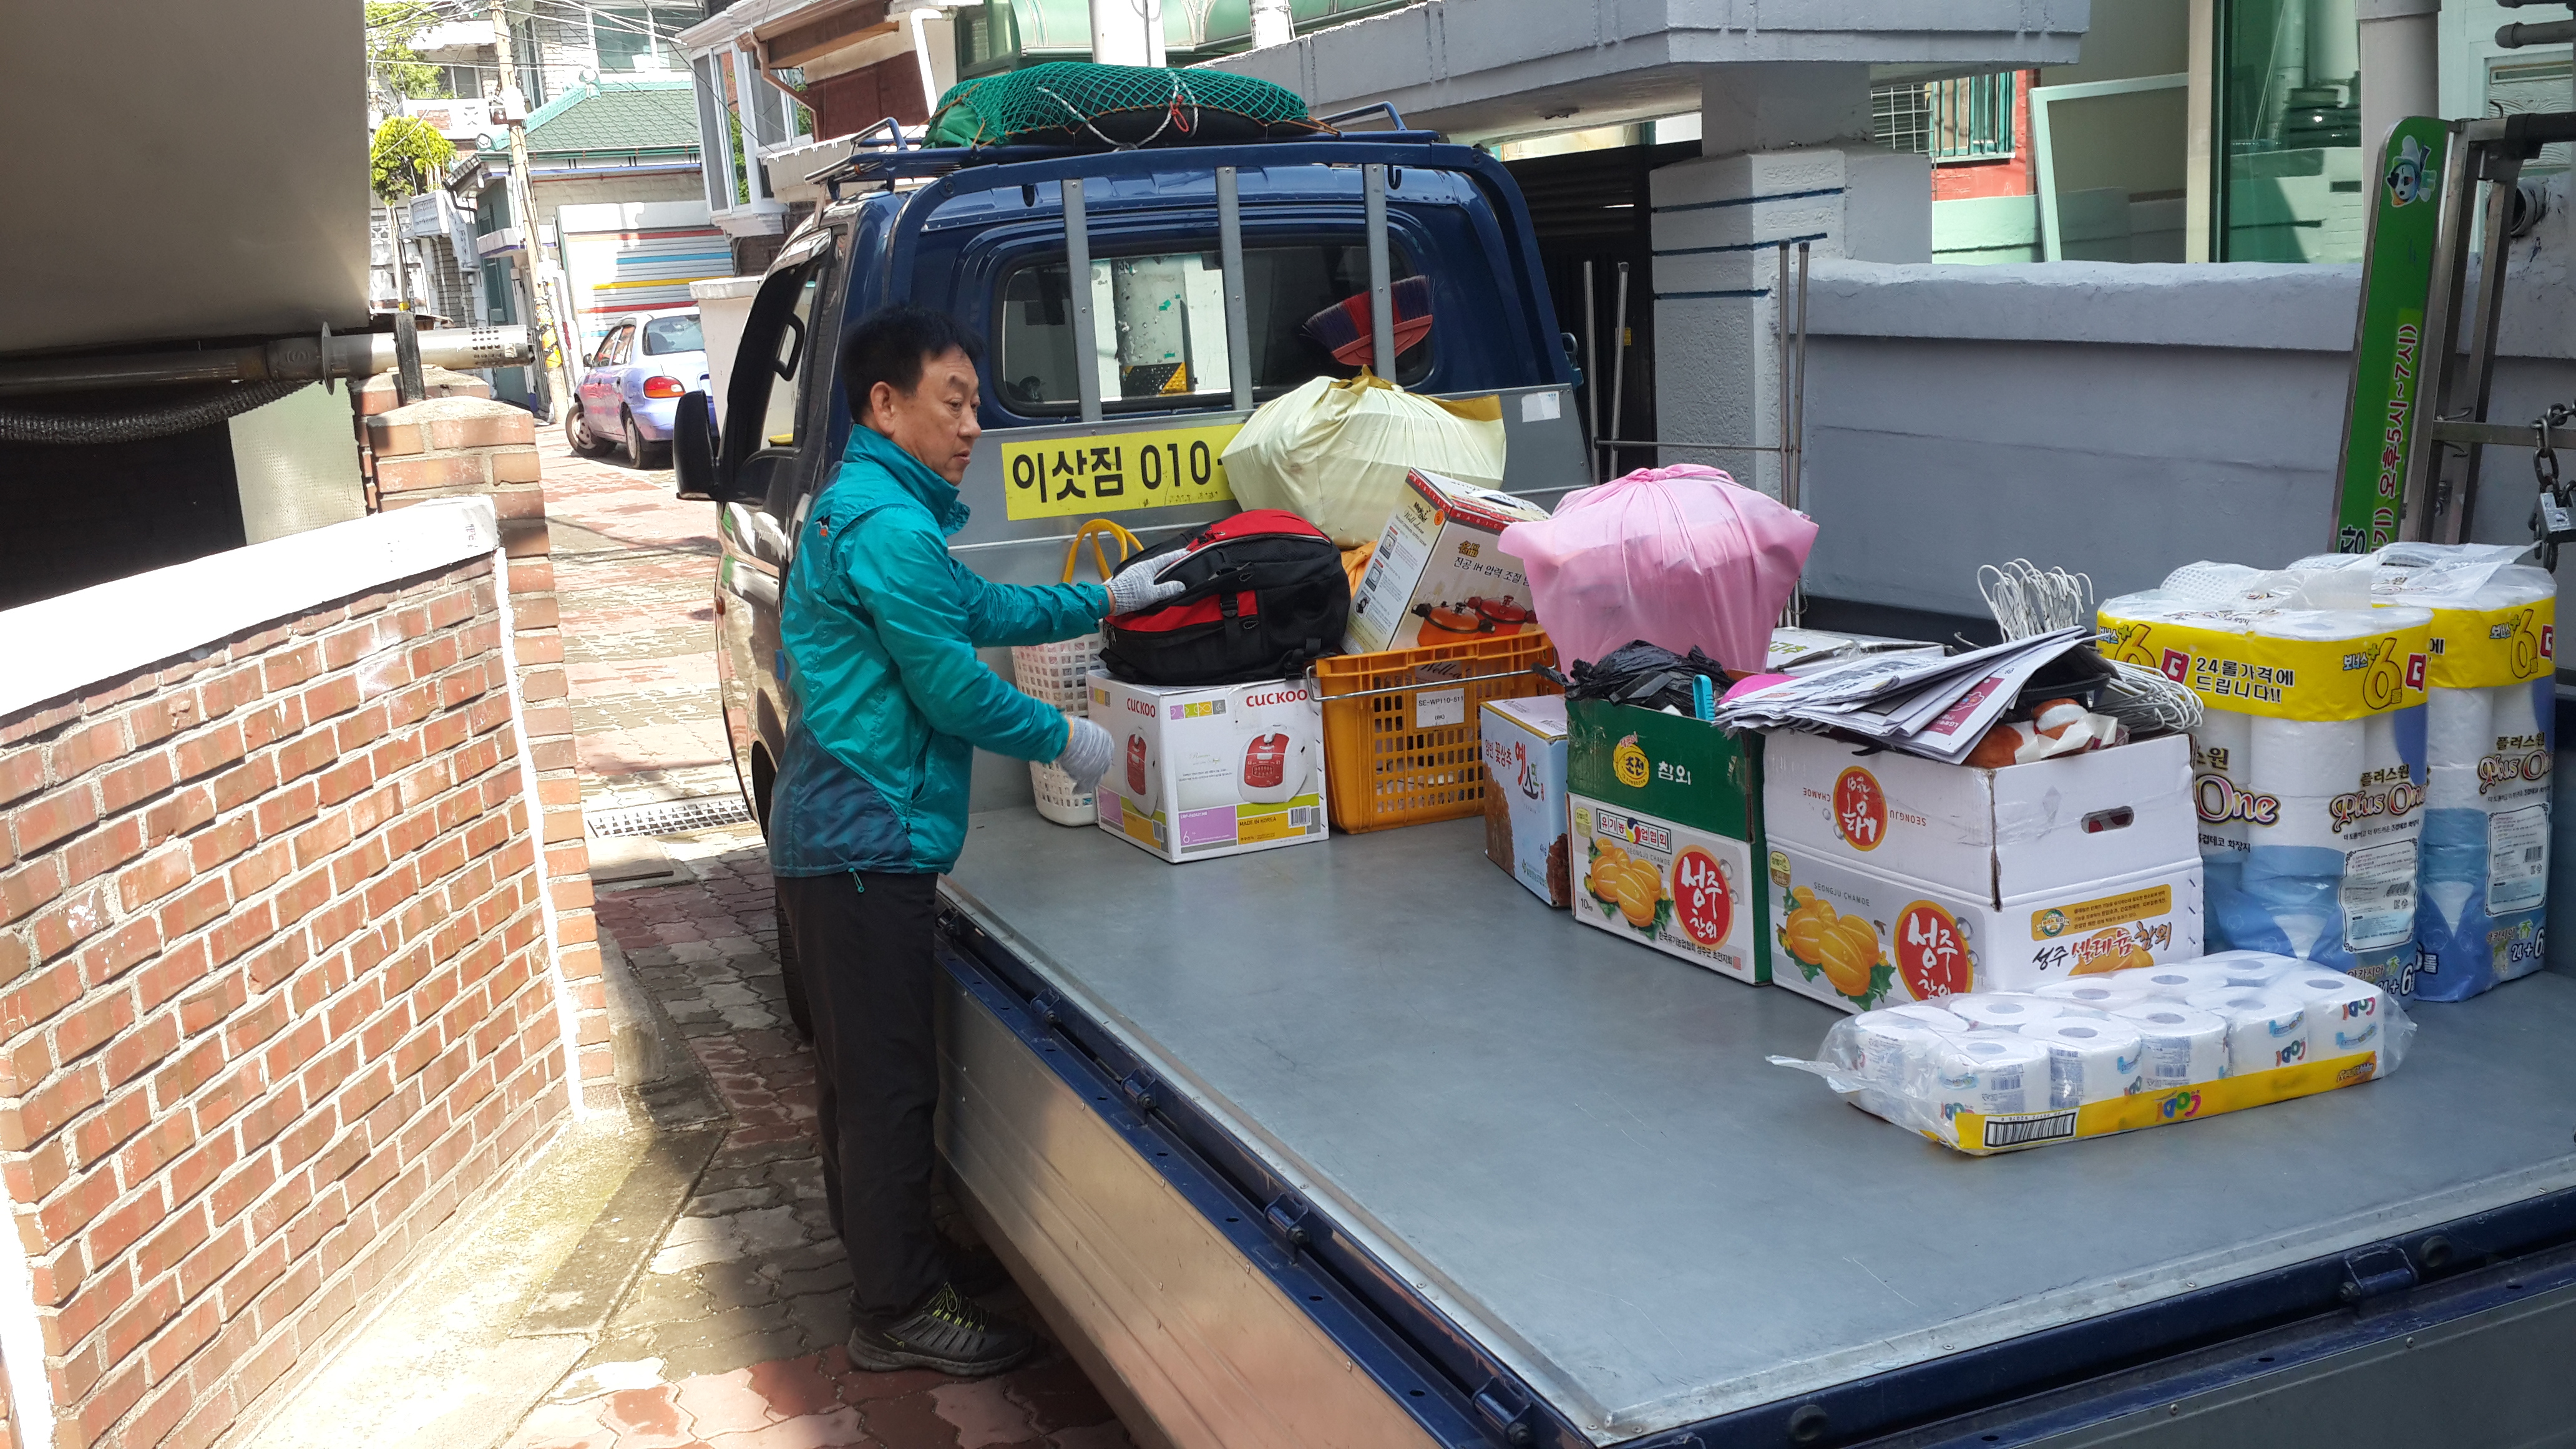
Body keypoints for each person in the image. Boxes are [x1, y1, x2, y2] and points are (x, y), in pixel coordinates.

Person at [769, 306, 1179, 1377]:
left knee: (865, 1076)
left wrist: (1103, 597)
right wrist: (1065, 736)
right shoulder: (888, 528)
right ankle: (897, 1307)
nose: (973, 426)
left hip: (844, 838)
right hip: (864, 842)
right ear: (885, 404)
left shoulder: (874, 510)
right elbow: (951, 686)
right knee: (888, 1085)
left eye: (976, 404)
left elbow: (981, 606)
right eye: (953, 402)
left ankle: (895, 1256)